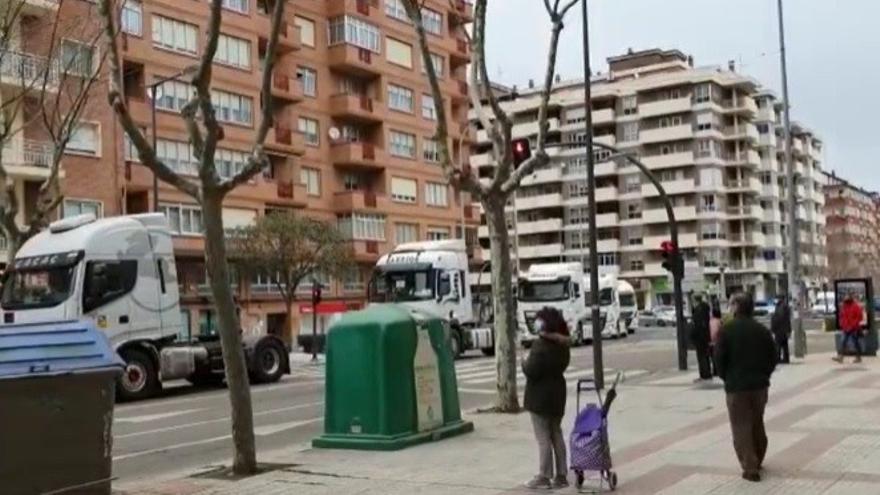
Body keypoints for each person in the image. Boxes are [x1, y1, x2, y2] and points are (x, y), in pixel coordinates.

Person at [714, 293, 777, 483]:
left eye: (731, 304)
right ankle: (758, 456)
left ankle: (750, 467)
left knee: (741, 426)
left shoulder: (727, 330)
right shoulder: (762, 330)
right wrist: (765, 375)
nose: (729, 308)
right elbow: (773, 356)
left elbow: (719, 359)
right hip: (759, 386)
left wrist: (726, 377)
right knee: (757, 421)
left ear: (736, 307)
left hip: (737, 387)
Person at [522, 306, 572, 490]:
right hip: (558, 394)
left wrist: (523, 361)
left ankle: (544, 475)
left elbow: (531, 370)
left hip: (540, 397)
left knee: (543, 437)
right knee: (556, 433)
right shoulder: (563, 345)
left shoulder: (540, 346)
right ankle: (561, 475)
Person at [834, 293, 864, 364]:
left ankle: (858, 357)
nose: (845, 299)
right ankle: (840, 357)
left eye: (846, 298)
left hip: (854, 328)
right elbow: (841, 315)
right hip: (846, 327)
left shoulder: (855, 306)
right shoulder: (844, 306)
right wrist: (842, 323)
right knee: (843, 341)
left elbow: (860, 317)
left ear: (850, 298)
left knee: (855, 343)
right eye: (845, 297)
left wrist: (853, 325)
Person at [691, 294, 712, 380]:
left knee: (701, 356)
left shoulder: (698, 310)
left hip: (700, 336)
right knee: (705, 355)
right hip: (705, 335)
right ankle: (707, 373)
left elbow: (697, 324)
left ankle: (704, 374)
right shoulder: (705, 308)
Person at [770, 296, 792, 364]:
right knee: (784, 345)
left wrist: (773, 326)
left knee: (778, 344)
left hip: (780, 329)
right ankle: (786, 358)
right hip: (784, 329)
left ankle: (778, 358)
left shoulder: (781, 307)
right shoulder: (784, 306)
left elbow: (779, 318)